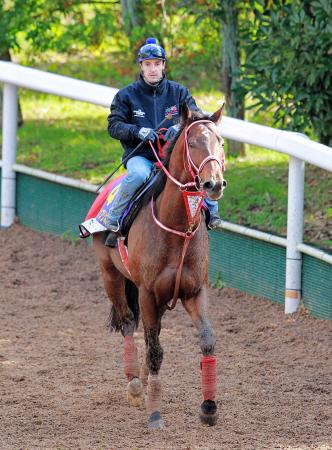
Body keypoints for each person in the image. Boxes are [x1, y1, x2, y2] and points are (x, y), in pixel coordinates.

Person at [104, 37, 221, 247]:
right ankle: (114, 219)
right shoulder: (126, 95)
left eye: (157, 64)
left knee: (199, 173)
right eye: (148, 64)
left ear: (164, 65)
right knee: (139, 174)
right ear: (141, 66)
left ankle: (211, 211)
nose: (152, 69)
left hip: (173, 159)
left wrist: (179, 126)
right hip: (142, 157)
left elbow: (196, 116)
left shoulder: (179, 92)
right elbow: (114, 126)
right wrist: (138, 131)